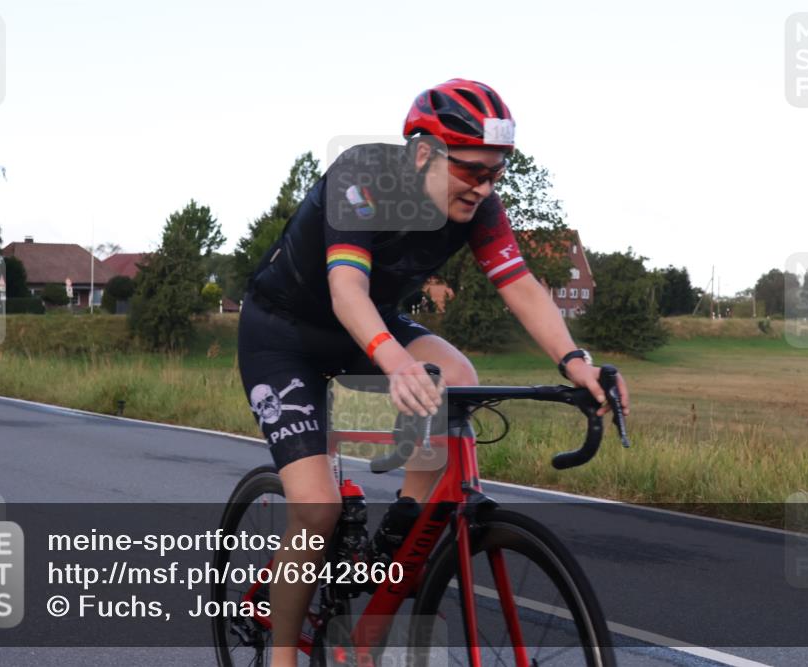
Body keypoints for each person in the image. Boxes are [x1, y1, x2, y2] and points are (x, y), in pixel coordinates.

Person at [237, 78, 630, 666]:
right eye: (473, 170)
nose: (485, 186)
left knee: (458, 376)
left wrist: (575, 362)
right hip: (284, 334)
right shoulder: (362, 175)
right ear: (424, 152)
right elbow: (347, 289)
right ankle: (284, 655)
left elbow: (520, 285)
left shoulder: (478, 205)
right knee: (316, 510)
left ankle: (402, 529)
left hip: (370, 324)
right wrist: (394, 361)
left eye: (497, 173)